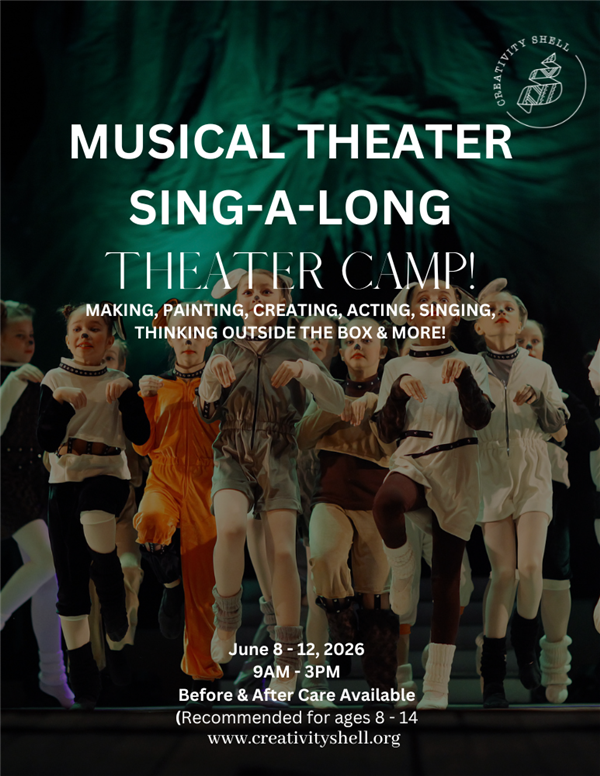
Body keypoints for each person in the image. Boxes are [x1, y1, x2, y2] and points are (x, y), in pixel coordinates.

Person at [197, 269, 345, 698]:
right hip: (232, 448)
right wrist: (211, 375)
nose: (257, 298)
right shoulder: (225, 348)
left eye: (267, 292)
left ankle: (287, 661)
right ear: (237, 302)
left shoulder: (295, 347)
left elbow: (335, 401)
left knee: (282, 551)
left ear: (283, 302)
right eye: (249, 292)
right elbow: (207, 409)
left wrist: (306, 371)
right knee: (229, 528)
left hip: (279, 452)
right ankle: (226, 621)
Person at [372, 279, 492, 710]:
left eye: (445, 299)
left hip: (457, 466)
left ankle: (437, 684)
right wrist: (397, 393)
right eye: (424, 299)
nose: (435, 304)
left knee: (446, 576)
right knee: (387, 502)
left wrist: (465, 381)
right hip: (412, 458)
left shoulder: (472, 362)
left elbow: (480, 420)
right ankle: (403, 567)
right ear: (409, 314)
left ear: (456, 315)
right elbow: (386, 432)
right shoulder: (395, 366)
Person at [37, 304, 150, 709]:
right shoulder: (54, 379)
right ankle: (83, 673)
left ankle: (112, 590)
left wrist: (129, 400)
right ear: (68, 340)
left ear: (109, 340)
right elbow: (46, 440)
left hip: (109, 474)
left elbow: (140, 435)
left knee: (94, 512)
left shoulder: (119, 380)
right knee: (70, 587)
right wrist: (59, 401)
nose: (85, 335)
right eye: (78, 329)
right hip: (65, 479)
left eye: (95, 328)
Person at [474, 281, 568, 709]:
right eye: (491, 308)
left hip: (532, 469)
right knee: (503, 574)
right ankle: (493, 676)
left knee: (530, 568)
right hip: (490, 471)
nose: (500, 312)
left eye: (508, 308)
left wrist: (539, 404)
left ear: (519, 320)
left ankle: (526, 645)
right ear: (479, 324)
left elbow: (559, 427)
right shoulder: (470, 365)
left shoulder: (539, 369)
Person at [297, 317, 400, 703]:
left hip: (377, 504)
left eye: (366, 340)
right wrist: (338, 405)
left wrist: (374, 407)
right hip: (331, 498)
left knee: (376, 597)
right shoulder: (330, 390)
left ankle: (382, 689)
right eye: (350, 341)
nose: (358, 346)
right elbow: (303, 437)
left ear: (382, 351)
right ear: (340, 352)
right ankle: (341, 628)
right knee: (324, 560)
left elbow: (394, 447)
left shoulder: (393, 393)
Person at [133, 301, 222, 702]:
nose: (189, 337)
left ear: (210, 335)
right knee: (151, 521)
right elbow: (143, 446)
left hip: (208, 484)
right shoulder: (158, 385)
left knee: (204, 591)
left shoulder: (221, 382)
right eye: (181, 329)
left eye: (197, 329)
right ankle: (170, 584)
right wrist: (144, 399)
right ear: (169, 336)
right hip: (165, 477)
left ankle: (204, 677)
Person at [0, 300, 73, 708]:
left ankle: (52, 674)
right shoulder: (12, 379)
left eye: (31, 336)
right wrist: (10, 386)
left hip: (33, 479)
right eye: (18, 336)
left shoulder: (34, 377)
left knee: (50, 578)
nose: (29, 343)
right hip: (5, 480)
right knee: (46, 563)